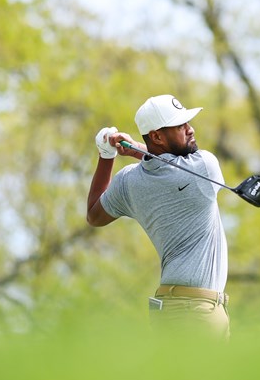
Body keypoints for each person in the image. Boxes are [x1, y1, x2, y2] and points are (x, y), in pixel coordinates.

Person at [86, 94, 230, 338]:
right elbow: (170, 165)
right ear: (156, 136)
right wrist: (133, 150)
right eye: (180, 126)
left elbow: (94, 215)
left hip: (168, 307)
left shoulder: (128, 182)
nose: (190, 129)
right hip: (199, 311)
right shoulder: (204, 167)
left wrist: (106, 156)